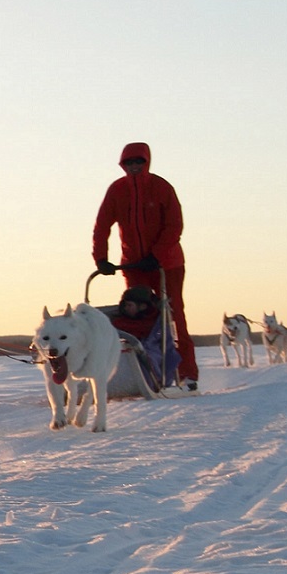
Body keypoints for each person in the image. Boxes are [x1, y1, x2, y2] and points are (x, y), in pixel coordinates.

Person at [92, 141, 197, 389]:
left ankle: (187, 372)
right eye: (129, 162)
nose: (134, 166)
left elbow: (174, 226)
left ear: (147, 162)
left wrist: (158, 255)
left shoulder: (162, 188)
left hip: (166, 265)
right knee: (136, 314)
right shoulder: (117, 191)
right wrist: (101, 259)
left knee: (173, 315)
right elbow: (102, 226)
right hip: (133, 265)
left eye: (138, 161)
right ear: (123, 165)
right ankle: (143, 370)